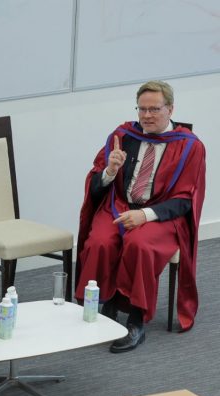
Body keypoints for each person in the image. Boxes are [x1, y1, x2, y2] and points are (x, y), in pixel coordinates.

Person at [75, 81, 206, 353]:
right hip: (119, 205)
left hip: (159, 215)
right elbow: (96, 184)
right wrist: (110, 170)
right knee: (100, 241)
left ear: (170, 109)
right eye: (142, 109)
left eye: (154, 109)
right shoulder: (123, 135)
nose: (146, 116)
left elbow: (185, 199)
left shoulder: (189, 146)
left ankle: (135, 320)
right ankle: (103, 305)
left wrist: (145, 215)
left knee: (139, 245)